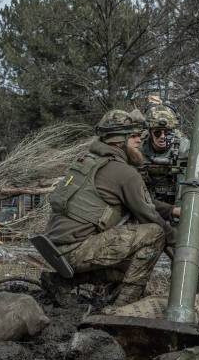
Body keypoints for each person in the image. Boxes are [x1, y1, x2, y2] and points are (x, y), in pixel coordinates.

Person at [42, 109, 179, 306]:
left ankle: (60, 282)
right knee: (156, 233)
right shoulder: (125, 173)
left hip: (54, 248)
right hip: (74, 251)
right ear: (118, 141)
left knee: (129, 261)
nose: (140, 140)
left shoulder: (88, 160)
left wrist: (172, 210)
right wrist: (177, 238)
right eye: (133, 136)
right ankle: (123, 306)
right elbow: (148, 214)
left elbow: (138, 200)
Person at [141, 96, 190, 204]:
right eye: (157, 132)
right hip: (147, 201)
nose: (162, 136)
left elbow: (187, 185)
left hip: (176, 200)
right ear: (150, 132)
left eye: (167, 132)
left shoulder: (183, 147)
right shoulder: (140, 146)